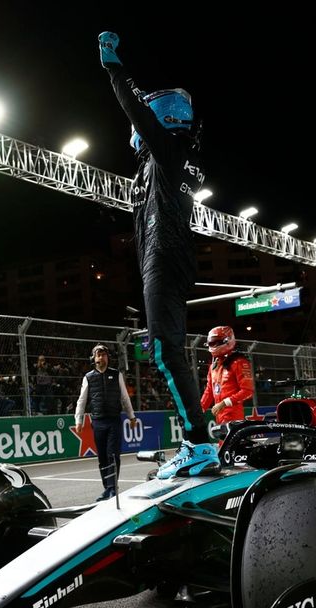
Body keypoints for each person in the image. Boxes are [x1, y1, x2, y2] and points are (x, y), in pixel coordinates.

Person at [97, 31, 218, 479]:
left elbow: (134, 108)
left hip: (164, 257)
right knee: (167, 348)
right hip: (170, 256)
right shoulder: (176, 157)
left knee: (166, 352)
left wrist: (113, 66)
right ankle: (198, 441)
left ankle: (199, 443)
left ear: (160, 118)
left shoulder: (167, 152)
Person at [72, 344, 138, 501]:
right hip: (98, 422)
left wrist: (132, 416)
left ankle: (112, 488)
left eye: (104, 355)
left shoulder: (116, 375)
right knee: (102, 456)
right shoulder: (88, 377)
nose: (101, 358)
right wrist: (78, 420)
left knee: (113, 455)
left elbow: (124, 397)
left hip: (114, 420)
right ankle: (106, 489)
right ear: (94, 359)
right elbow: (81, 401)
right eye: (98, 355)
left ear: (108, 357)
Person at [200, 326, 257, 433]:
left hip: (233, 414)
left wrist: (224, 403)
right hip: (219, 414)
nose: (213, 346)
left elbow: (248, 391)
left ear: (227, 341)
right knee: (224, 446)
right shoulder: (213, 366)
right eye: (211, 343)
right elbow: (209, 391)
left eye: (216, 342)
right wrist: (199, 410)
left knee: (231, 446)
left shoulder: (239, 362)